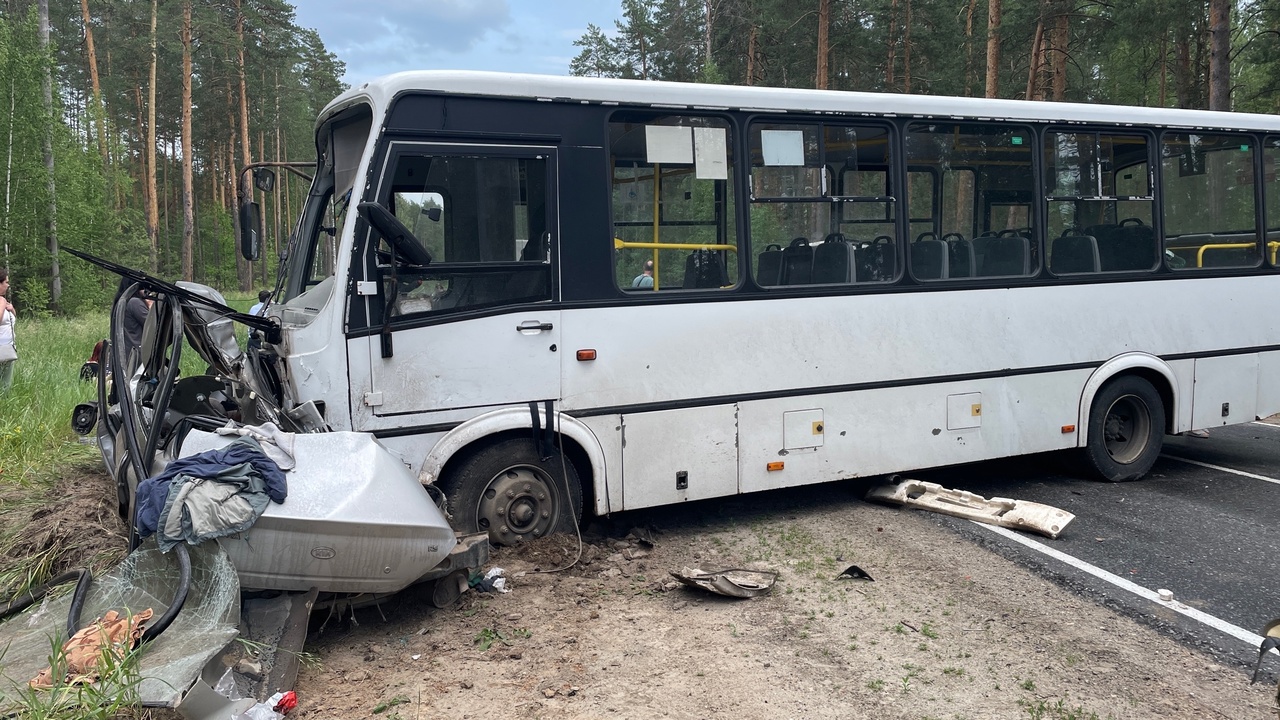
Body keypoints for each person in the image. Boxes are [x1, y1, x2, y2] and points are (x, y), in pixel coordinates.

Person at [0, 269, 16, 393]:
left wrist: (11, 309)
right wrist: (1, 303)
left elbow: (11, 320)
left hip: (8, 348)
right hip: (1, 348)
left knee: (6, 383)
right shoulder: (1, 301)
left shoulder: (3, 301)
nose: (8, 285)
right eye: (6, 282)